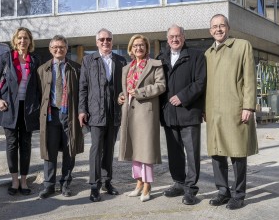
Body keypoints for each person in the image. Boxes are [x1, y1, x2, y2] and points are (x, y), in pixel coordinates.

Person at [205, 14, 258, 210]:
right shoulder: (208, 53)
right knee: (217, 153)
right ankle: (222, 191)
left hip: (235, 109)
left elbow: (250, 78)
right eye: (214, 27)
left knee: (237, 153)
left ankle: (239, 194)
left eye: (222, 25)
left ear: (228, 27)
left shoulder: (242, 46)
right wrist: (205, 110)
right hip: (214, 111)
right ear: (210, 31)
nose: (218, 29)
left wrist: (248, 106)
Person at [156, 25, 206, 205]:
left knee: (192, 153)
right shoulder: (160, 58)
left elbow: (200, 82)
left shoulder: (196, 55)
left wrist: (182, 97)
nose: (175, 39)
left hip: (189, 112)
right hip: (169, 114)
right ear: (167, 39)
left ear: (184, 37)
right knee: (174, 153)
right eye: (171, 37)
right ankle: (179, 182)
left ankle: (191, 189)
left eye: (178, 36)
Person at [0, 27, 40, 196]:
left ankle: (24, 181)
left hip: (28, 110)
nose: (22, 41)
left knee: (25, 145)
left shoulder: (35, 60)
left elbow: (38, 86)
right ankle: (14, 180)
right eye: (19, 38)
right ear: (15, 40)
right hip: (8, 108)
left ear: (30, 41)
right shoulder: (6, 58)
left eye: (26, 38)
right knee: (12, 145)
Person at [78, 28, 127, 202]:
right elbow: (82, 87)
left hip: (114, 112)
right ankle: (94, 185)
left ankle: (107, 182)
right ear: (97, 42)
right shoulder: (88, 60)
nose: (105, 42)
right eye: (102, 39)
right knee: (96, 150)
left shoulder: (120, 60)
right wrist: (82, 110)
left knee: (109, 149)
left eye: (108, 39)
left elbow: (124, 87)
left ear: (112, 41)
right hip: (96, 112)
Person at [118, 34, 166, 202]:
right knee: (134, 150)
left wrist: (140, 92)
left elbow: (161, 86)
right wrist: (121, 97)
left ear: (146, 48)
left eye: (142, 45)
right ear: (130, 49)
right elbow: (125, 89)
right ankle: (138, 183)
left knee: (145, 150)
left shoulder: (155, 65)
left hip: (146, 112)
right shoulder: (127, 68)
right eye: (135, 45)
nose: (138, 48)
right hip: (129, 112)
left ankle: (147, 185)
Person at [37, 35, 84, 199]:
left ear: (66, 49)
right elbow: (38, 94)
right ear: (50, 49)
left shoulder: (76, 68)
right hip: (51, 116)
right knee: (50, 152)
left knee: (69, 150)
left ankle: (65, 184)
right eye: (55, 47)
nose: (59, 50)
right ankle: (48, 185)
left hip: (69, 115)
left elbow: (82, 93)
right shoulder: (42, 69)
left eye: (62, 47)